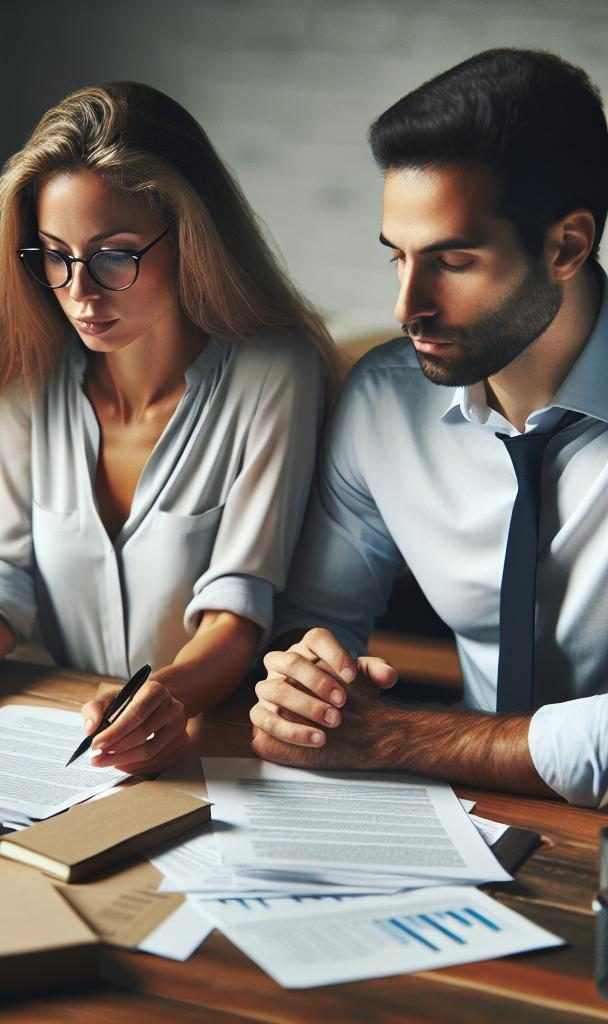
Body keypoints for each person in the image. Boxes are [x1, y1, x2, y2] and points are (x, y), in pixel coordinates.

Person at [0, 81, 341, 771]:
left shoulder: (274, 370)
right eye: (54, 255)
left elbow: (237, 611)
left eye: (114, 254)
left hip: (222, 748)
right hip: (62, 743)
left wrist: (164, 697)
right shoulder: (35, 369)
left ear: (191, 234)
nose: (78, 292)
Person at [250, 48, 608, 806]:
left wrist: (396, 735)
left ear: (567, 245)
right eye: (398, 258)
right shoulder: (385, 402)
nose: (407, 306)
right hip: (458, 817)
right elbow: (316, 616)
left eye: (453, 261)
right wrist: (305, 680)